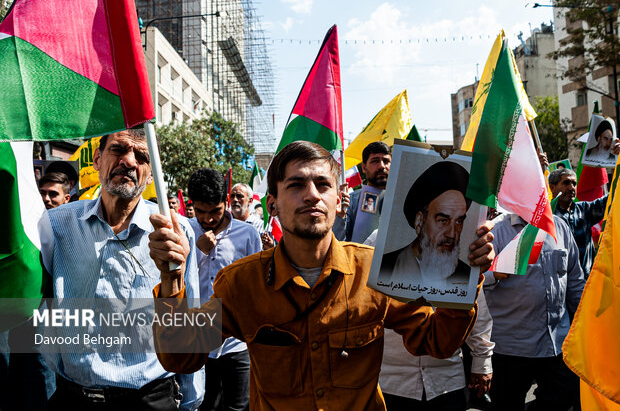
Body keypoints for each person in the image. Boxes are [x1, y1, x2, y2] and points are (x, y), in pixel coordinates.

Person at [148, 141, 496, 411]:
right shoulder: (241, 284)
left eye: (322, 184)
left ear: (336, 198)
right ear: (272, 204)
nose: (311, 194)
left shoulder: (373, 270)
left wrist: (465, 277)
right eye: (296, 184)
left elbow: (435, 341)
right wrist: (171, 280)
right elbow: (181, 357)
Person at [42, 129, 204, 410]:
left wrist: (191, 400)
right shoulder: (55, 226)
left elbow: (191, 319)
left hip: (150, 399)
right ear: (97, 159)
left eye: (142, 156)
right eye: (118, 150)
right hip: (72, 397)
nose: (128, 161)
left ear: (150, 174)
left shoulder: (176, 232)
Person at [364, 233, 494, 411]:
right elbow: (361, 299)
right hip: (390, 382)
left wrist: (482, 361)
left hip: (446, 381)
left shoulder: (460, 243)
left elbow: (476, 304)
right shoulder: (381, 238)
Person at [484, 213, 585, 411]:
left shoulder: (560, 226)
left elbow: (575, 281)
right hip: (510, 347)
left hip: (555, 343)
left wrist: (587, 322)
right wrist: (493, 273)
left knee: (564, 396)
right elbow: (472, 277)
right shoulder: (496, 229)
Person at [187, 169, 261, 411]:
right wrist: (198, 251)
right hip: (193, 341)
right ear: (192, 206)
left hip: (235, 342)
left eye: (214, 212)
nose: (207, 219)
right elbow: (173, 278)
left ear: (226, 202)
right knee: (199, 405)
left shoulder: (248, 234)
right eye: (200, 212)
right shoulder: (183, 231)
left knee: (237, 406)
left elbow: (255, 284)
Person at [379, 161, 471, 289]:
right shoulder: (385, 267)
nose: (451, 233)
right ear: (419, 221)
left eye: (458, 221)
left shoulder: (466, 275)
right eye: (443, 221)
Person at [548, 168, 607, 277]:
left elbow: (612, 198)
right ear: (552, 187)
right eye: (566, 183)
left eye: (574, 184)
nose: (571, 188)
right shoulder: (546, 215)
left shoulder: (585, 209)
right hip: (560, 283)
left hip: (586, 282)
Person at [333, 141, 391, 242]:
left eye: (386, 161)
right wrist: (340, 217)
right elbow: (339, 243)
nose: (381, 166)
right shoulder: (349, 202)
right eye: (375, 161)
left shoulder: (402, 200)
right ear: (364, 167)